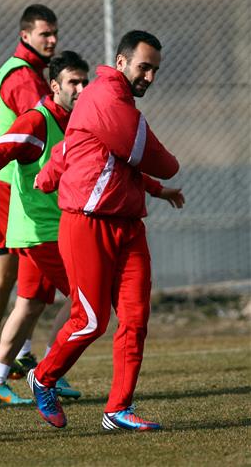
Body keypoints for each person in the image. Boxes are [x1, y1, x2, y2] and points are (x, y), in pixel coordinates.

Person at [26, 30, 183, 431]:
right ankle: (43, 376)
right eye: (143, 67)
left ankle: (118, 409)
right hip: (88, 224)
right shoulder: (106, 97)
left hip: (128, 226)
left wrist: (157, 190)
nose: (149, 76)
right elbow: (157, 160)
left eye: (155, 70)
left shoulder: (110, 101)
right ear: (120, 62)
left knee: (135, 319)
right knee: (90, 320)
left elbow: (84, 151)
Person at [0, 4, 60, 378]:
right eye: (44, 34)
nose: (52, 40)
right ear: (26, 35)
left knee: (7, 272)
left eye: (54, 33)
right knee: (28, 272)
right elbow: (39, 124)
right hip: (8, 185)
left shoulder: (15, 69)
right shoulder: (24, 78)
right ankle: (11, 353)